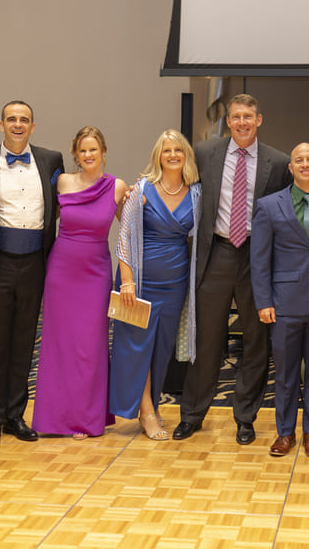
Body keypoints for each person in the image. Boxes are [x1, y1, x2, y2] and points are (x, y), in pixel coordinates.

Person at [173, 94, 291, 445]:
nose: (242, 122)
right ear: (228, 121)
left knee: (256, 340)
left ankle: (245, 417)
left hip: (257, 257)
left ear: (259, 120)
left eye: (247, 117)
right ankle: (192, 414)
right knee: (206, 337)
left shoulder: (278, 162)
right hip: (218, 252)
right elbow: (179, 183)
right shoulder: (205, 153)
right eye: (236, 116)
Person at [0, 100, 64, 449]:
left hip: (36, 262)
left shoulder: (52, 161)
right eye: (11, 119)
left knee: (24, 341)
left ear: (32, 126)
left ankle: (15, 414)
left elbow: (62, 205)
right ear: (1, 124)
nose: (17, 124)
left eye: (24, 120)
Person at [32, 126, 127, 439]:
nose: (88, 155)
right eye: (83, 150)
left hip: (95, 273)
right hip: (61, 272)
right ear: (75, 153)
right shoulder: (62, 182)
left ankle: (85, 419)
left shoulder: (116, 187)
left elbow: (129, 230)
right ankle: (55, 418)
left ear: (103, 152)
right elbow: (46, 219)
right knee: (59, 345)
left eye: (93, 150)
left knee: (90, 345)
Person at [250, 142, 309, 459]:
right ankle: (285, 432)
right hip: (284, 303)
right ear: (290, 168)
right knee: (286, 375)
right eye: (298, 160)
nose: (304, 164)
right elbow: (259, 259)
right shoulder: (268, 206)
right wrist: (263, 301)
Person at [112, 130, 201, 440]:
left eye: (178, 150)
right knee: (137, 347)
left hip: (175, 282)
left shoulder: (196, 194)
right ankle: (147, 411)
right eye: (167, 150)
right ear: (158, 156)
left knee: (162, 348)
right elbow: (124, 237)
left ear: (186, 155)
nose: (173, 155)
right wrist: (127, 282)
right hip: (139, 282)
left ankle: (150, 404)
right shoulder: (141, 190)